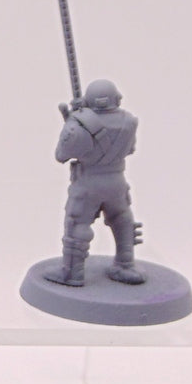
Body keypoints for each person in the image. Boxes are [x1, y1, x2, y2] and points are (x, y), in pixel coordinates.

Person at [46, 78, 145, 287]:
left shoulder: (77, 126)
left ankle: (72, 272)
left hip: (88, 183)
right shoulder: (129, 122)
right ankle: (125, 264)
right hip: (117, 181)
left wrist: (71, 125)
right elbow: (130, 150)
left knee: (78, 224)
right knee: (122, 218)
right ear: (117, 98)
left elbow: (61, 155)